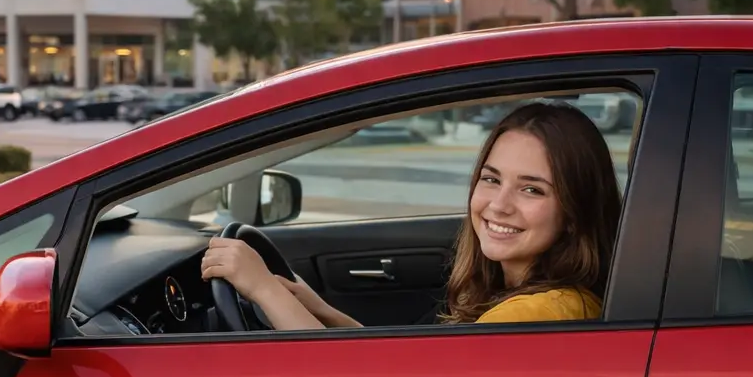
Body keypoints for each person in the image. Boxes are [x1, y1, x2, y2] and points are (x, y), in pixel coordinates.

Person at [200, 101, 622, 330]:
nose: (499, 205)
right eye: (491, 179)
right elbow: (403, 370)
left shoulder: (536, 314)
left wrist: (263, 291)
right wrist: (319, 309)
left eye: (532, 189)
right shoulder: (544, 299)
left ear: (573, 211)